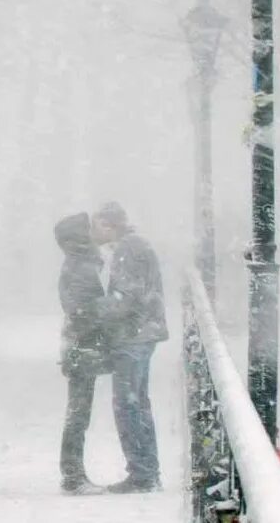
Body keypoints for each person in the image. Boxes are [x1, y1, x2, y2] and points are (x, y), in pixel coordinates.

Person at [91, 200, 168, 494]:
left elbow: (127, 297)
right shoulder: (134, 246)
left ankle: (142, 474)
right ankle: (147, 471)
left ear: (111, 224)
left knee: (128, 405)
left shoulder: (128, 249)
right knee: (136, 403)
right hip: (141, 334)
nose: (94, 231)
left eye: (98, 224)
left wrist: (92, 309)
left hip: (133, 336)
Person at [55, 212, 111, 495]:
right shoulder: (82, 267)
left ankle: (73, 473)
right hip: (83, 346)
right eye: (88, 228)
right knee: (78, 413)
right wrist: (108, 311)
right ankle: (73, 476)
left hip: (80, 345)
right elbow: (82, 310)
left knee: (78, 412)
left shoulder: (80, 264)